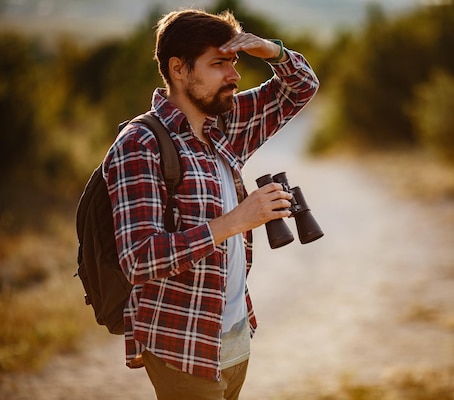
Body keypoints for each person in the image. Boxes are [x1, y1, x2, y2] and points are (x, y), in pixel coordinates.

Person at [101, 8, 319, 400]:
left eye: (234, 62)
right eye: (219, 64)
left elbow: (301, 86)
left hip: (235, 331)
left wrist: (270, 50)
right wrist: (235, 221)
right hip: (182, 342)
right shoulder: (140, 144)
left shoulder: (224, 124)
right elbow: (138, 258)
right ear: (179, 69)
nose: (234, 75)